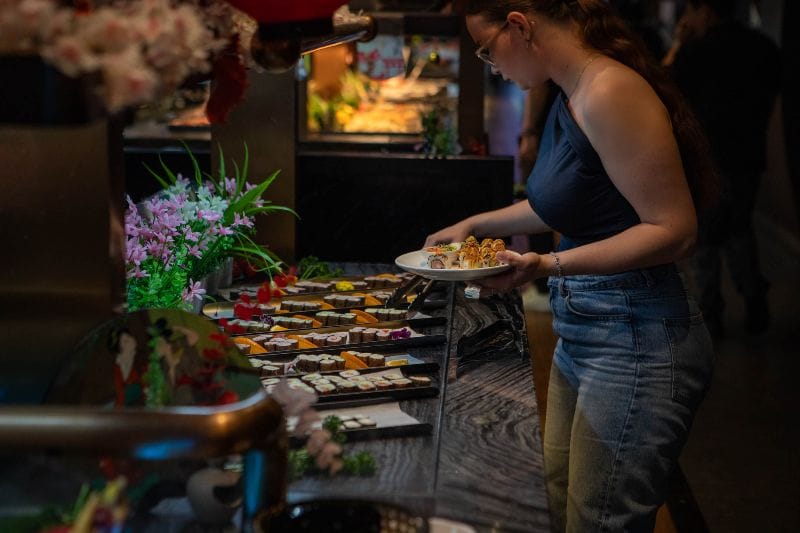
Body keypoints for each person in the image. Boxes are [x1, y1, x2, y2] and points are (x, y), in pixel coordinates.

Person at [425, 1, 717, 530]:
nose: (493, 67)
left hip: (637, 338)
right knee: (560, 501)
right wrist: (476, 223)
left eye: (488, 51)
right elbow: (562, 202)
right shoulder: (569, 91)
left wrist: (545, 263)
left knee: (598, 519)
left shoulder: (609, 89)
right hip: (586, 327)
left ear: (519, 25)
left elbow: (674, 230)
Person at [663, 0, 781, 336]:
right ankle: (756, 302)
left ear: (707, 11)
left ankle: (710, 313)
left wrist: (677, 45)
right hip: (749, 155)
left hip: (708, 158)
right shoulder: (763, 47)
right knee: (740, 228)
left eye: (692, 11)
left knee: (707, 236)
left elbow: (663, 90)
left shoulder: (696, 50)